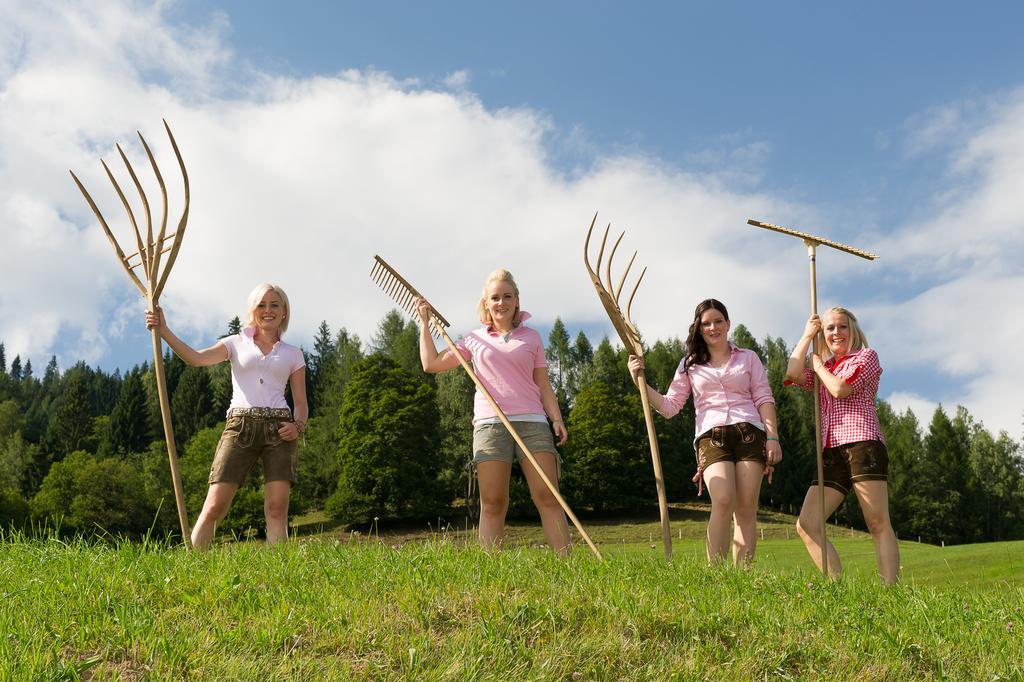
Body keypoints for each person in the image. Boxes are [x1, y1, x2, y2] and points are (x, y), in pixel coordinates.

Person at [416, 269, 570, 554]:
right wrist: (425, 324)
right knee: (493, 501)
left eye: (507, 296)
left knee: (549, 497)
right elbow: (431, 364)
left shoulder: (532, 338)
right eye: (495, 298)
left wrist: (556, 419)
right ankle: (492, 569)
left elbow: (543, 384)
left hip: (533, 422)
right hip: (490, 425)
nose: (501, 303)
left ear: (516, 300)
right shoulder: (473, 340)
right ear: (486, 303)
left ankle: (567, 565)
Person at [146, 283, 307, 550]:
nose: (268, 310)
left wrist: (297, 425)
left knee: (277, 509)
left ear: (284, 311)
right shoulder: (235, 343)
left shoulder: (293, 353)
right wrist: (164, 331)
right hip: (240, 426)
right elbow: (196, 359)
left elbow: (300, 403)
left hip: (279, 429)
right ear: (253, 311)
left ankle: (280, 575)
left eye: (274, 305)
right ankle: (193, 566)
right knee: (214, 506)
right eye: (262, 305)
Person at [628, 298, 781, 565]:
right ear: (699, 329)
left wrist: (772, 438)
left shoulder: (749, 358)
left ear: (728, 323)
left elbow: (764, 398)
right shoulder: (689, 364)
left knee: (745, 509)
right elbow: (669, 406)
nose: (713, 327)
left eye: (718, 321)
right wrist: (639, 380)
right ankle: (716, 575)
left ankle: (742, 577)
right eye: (706, 323)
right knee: (723, 499)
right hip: (712, 436)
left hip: (750, 432)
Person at [786, 307, 899, 584]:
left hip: (863, 443)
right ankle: (836, 587)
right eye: (830, 329)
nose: (836, 333)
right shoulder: (824, 367)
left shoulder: (866, 357)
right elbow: (791, 372)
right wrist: (806, 336)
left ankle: (890, 591)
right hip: (831, 450)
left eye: (842, 327)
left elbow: (840, 389)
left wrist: (819, 366)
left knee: (876, 522)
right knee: (807, 524)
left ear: (853, 330)